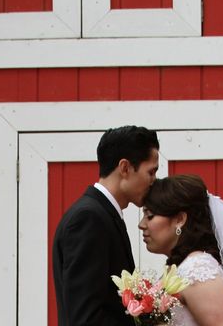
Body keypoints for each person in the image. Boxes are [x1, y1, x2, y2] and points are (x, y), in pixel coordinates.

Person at [52, 125, 160, 326]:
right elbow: (86, 318)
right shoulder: (88, 219)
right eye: (151, 172)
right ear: (125, 168)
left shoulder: (103, 214)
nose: (154, 181)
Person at [140, 175, 223, 326]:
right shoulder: (180, 267)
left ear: (179, 219)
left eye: (149, 216)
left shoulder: (197, 268)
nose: (141, 224)